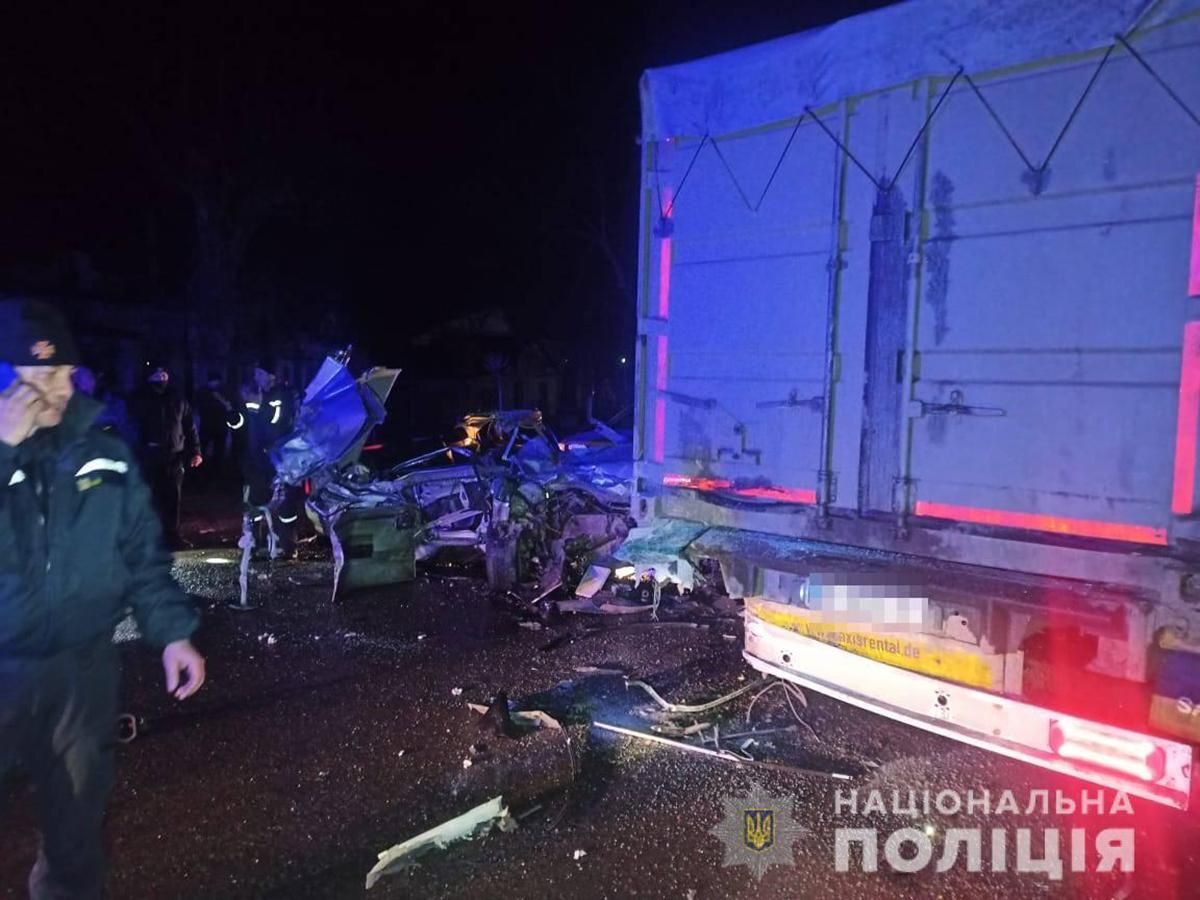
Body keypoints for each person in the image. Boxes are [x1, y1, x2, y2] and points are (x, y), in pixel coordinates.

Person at [0, 298, 206, 899]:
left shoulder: (103, 453)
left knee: (74, 836)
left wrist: (172, 633)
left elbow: (141, 555)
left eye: (65, 371)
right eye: (41, 376)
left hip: (81, 671)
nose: (61, 388)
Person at [130, 366, 202, 549]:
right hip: (149, 455)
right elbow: (131, 426)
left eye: (164, 373)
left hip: (174, 455)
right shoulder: (141, 399)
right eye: (157, 373)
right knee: (149, 497)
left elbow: (189, 426)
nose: (162, 376)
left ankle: (172, 535)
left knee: (172, 497)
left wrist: (196, 451)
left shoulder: (177, 399)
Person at [197, 372, 232, 485]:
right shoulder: (203, 392)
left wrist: (220, 399)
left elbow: (229, 407)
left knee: (219, 453)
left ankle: (216, 475)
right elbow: (200, 408)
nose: (215, 383)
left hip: (220, 427)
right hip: (207, 426)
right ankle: (201, 475)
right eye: (213, 381)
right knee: (202, 451)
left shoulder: (223, 391)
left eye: (217, 381)